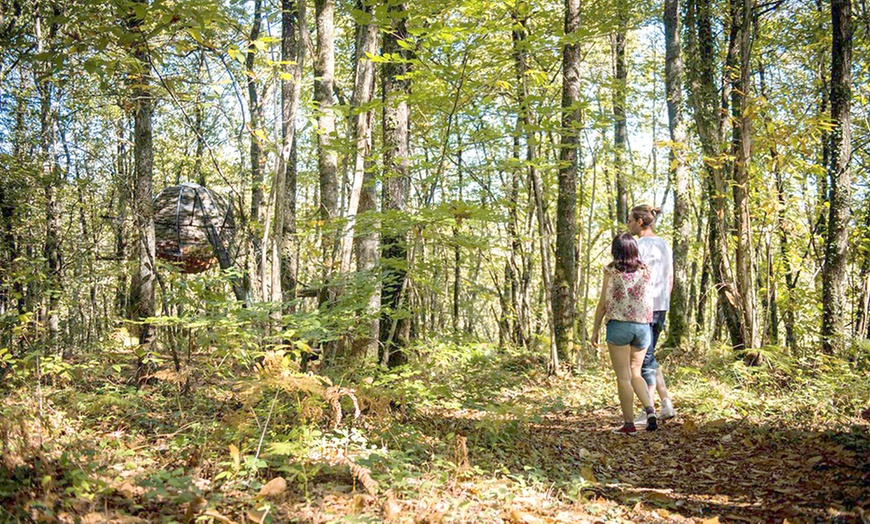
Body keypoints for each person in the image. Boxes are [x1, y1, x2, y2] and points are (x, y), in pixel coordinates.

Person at [592, 232, 658, 434]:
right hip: (643, 327)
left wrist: (594, 330)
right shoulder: (646, 270)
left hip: (619, 326)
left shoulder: (611, 271)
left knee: (623, 376)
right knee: (636, 372)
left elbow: (603, 304)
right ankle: (650, 410)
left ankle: (629, 424)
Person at [627, 205, 676, 424]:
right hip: (661, 305)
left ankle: (650, 409)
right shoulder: (665, 244)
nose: (628, 224)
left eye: (630, 220)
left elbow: (634, 278)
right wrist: (664, 300)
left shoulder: (637, 245)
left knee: (643, 359)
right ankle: (665, 403)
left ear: (639, 221)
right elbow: (670, 277)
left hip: (643, 306)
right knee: (649, 356)